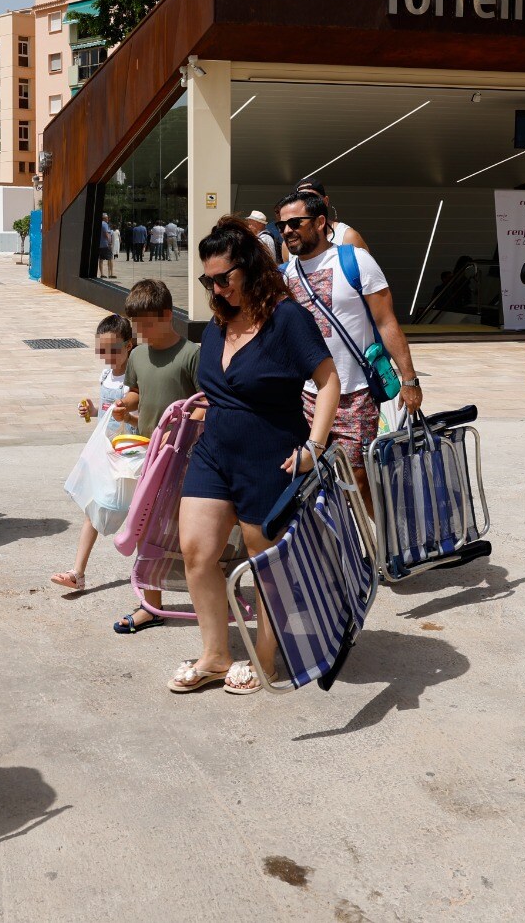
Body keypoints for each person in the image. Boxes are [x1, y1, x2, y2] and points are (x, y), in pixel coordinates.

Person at [171, 218, 338, 695]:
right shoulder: (222, 318)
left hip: (270, 454)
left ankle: (266, 655)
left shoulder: (286, 318)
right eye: (209, 280)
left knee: (263, 562)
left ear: (250, 269)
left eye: (224, 278)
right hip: (214, 452)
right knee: (197, 554)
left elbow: (329, 382)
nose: (217, 288)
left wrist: (315, 447)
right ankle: (216, 654)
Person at [278, 190, 423, 512]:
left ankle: (383, 551)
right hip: (305, 395)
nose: (287, 230)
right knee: (308, 479)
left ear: (319, 221)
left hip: (354, 394)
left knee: (357, 480)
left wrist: (410, 380)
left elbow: (386, 321)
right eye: (281, 225)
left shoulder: (355, 261)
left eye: (295, 222)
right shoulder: (285, 276)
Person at [107, 278, 201, 633]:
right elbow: (135, 393)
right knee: (146, 529)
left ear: (166, 315)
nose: (139, 332)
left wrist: (183, 424)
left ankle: (206, 592)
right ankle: (151, 605)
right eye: (135, 325)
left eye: (145, 324)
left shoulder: (191, 353)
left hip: (185, 460)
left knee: (187, 533)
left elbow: (206, 404)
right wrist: (124, 405)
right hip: (147, 457)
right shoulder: (138, 356)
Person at [51, 314, 136, 592]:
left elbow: (139, 415)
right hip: (106, 451)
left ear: (129, 346)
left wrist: (128, 419)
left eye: (114, 350)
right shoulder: (106, 375)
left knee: (140, 511)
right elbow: (106, 412)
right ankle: (78, 572)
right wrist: (92, 410)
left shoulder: (135, 378)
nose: (109, 357)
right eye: (103, 351)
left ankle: (148, 570)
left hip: (130, 454)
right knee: (93, 507)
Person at [294, 178, 370, 249]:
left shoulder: (347, 236)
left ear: (326, 201)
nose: (306, 204)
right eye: (300, 199)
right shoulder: (291, 240)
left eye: (313, 198)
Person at [97, 214, 115, 278]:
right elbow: (106, 234)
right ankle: (111, 274)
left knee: (101, 259)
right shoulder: (104, 224)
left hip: (100, 244)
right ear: (104, 218)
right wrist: (109, 242)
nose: (108, 219)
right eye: (107, 218)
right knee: (110, 258)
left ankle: (102, 274)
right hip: (105, 244)